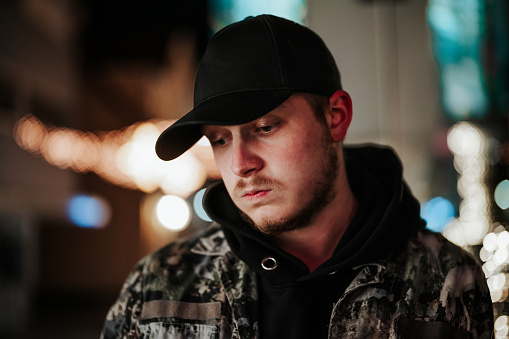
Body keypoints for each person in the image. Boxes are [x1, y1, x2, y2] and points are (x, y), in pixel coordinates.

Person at [101, 15, 494, 338]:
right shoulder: (157, 287)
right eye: (219, 140)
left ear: (336, 118)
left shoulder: (447, 281)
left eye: (266, 127)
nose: (240, 164)